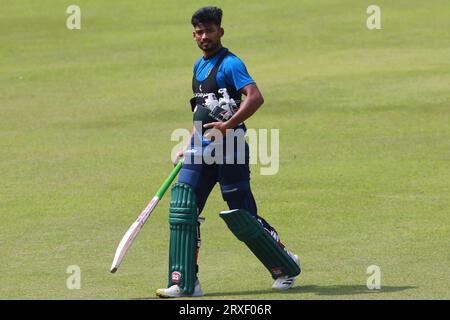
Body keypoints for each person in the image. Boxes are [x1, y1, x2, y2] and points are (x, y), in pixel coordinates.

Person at [156, 6, 301, 298]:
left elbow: (255, 97)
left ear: (220, 31)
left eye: (209, 31)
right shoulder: (198, 67)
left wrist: (229, 125)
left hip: (231, 147)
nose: (204, 36)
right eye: (199, 32)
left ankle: (284, 264)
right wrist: (187, 144)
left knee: (242, 216)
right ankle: (185, 283)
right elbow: (202, 110)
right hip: (202, 150)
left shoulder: (231, 64)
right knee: (184, 208)